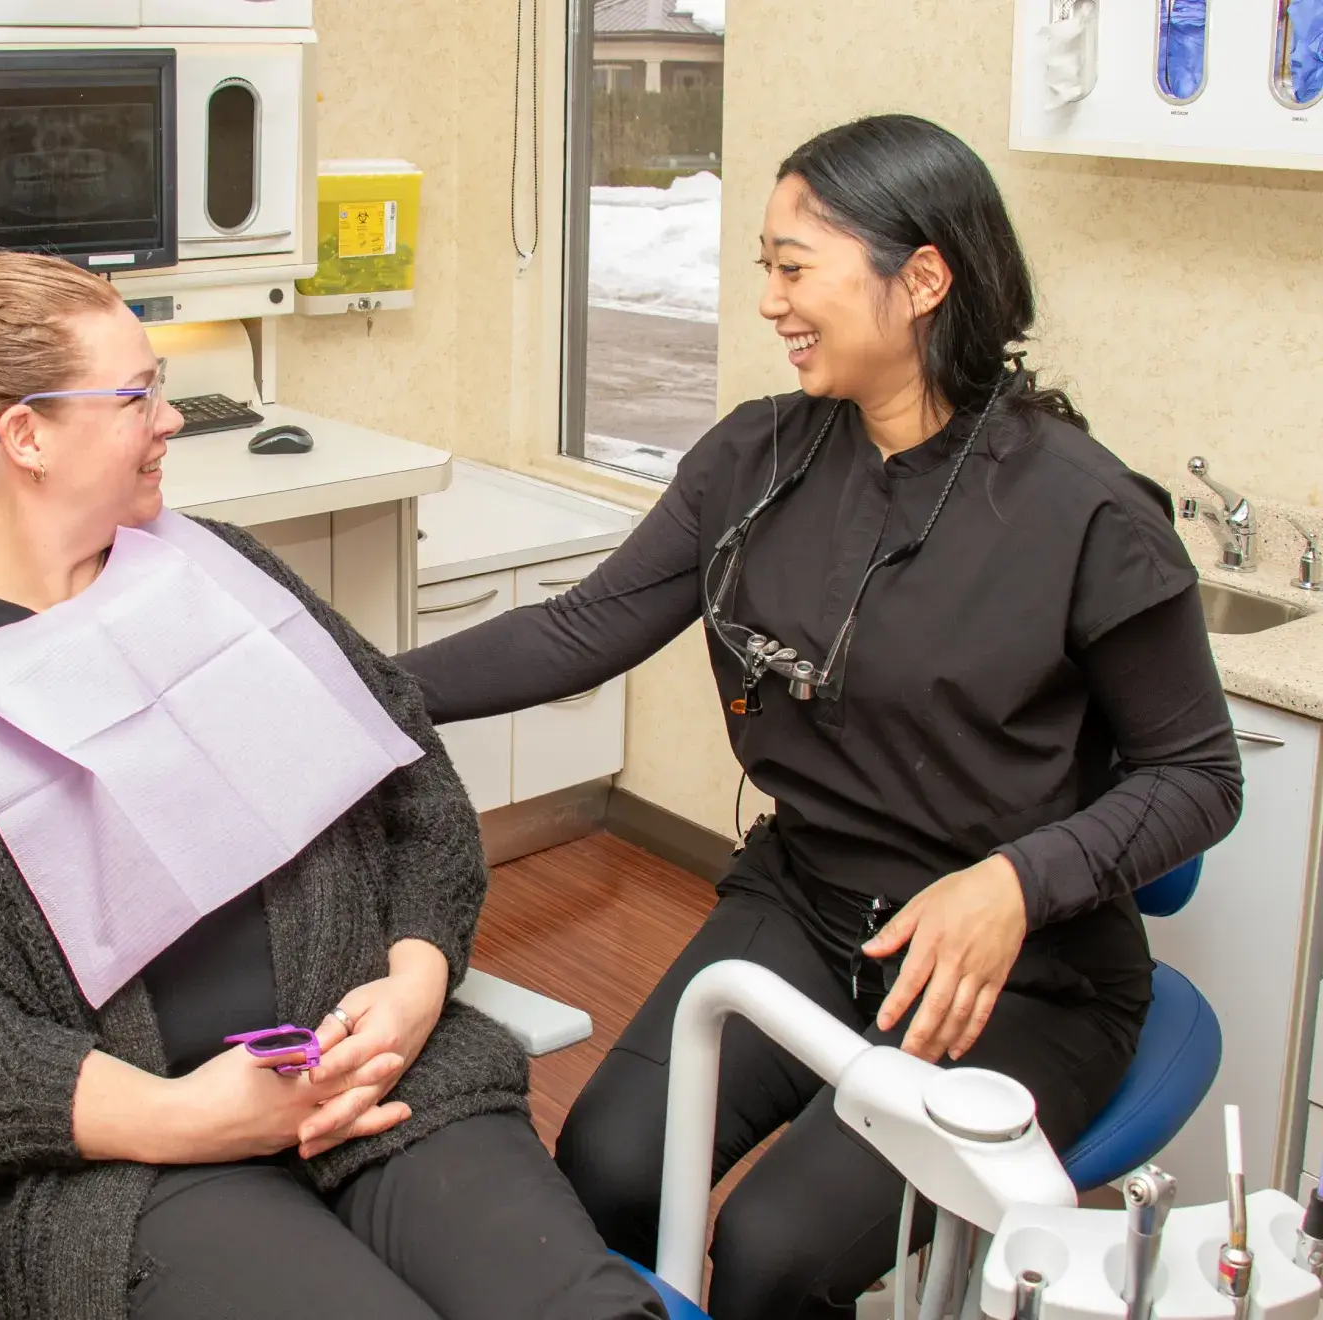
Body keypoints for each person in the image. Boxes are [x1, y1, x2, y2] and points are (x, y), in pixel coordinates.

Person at [397, 113, 1244, 1319]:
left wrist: (1014, 882)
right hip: (803, 905)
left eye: (794, 266)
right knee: (605, 1167)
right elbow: (581, 629)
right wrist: (363, 685)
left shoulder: (1087, 514)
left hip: (1017, 970)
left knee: (774, 1253)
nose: (768, 301)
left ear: (922, 278)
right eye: (763, 266)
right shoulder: (758, 457)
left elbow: (1199, 777)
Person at [0, 250, 667, 1320]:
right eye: (135, 394)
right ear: (26, 436)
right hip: (132, 1171)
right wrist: (189, 1119)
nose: (168, 420)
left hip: (380, 1077)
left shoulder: (229, 578)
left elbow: (413, 787)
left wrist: (415, 981)